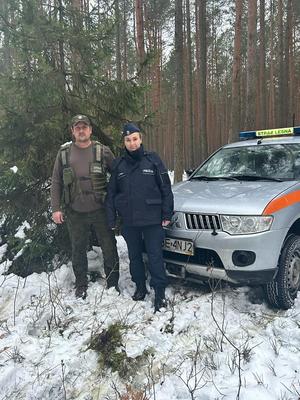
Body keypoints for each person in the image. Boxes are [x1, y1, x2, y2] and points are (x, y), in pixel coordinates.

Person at [105, 122, 173, 312]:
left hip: (153, 219)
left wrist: (167, 213)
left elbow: (165, 188)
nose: (132, 143)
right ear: (124, 142)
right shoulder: (119, 165)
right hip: (130, 221)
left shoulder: (153, 160)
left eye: (135, 139)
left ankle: (159, 292)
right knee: (135, 257)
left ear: (141, 139)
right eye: (128, 140)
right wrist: (111, 218)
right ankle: (140, 287)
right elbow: (111, 194)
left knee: (154, 256)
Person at [50, 114, 119, 299]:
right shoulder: (64, 153)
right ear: (73, 131)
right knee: (78, 249)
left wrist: (119, 201)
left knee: (109, 247)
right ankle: (81, 284)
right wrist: (56, 208)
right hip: (75, 211)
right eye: (77, 127)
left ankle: (113, 283)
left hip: (101, 210)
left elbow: (119, 175)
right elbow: (56, 181)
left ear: (90, 130)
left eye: (84, 127)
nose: (81, 130)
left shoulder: (102, 151)